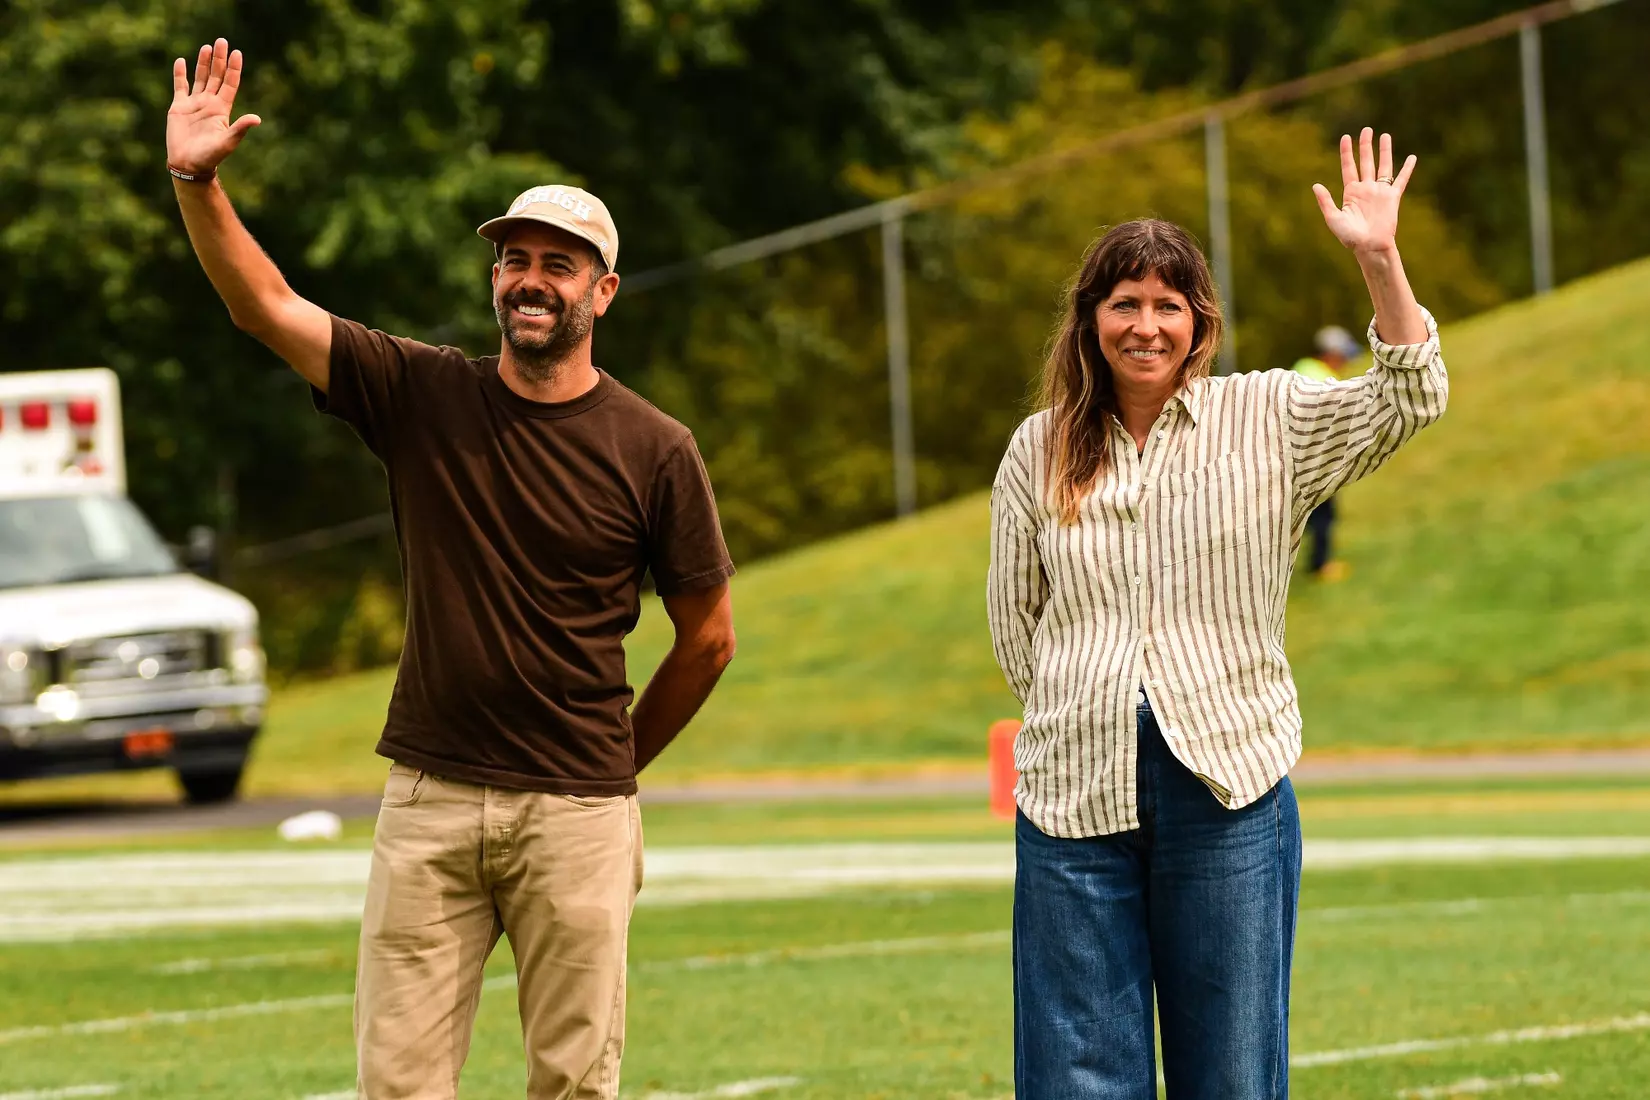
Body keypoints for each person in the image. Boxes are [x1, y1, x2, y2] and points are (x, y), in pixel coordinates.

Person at [165, 39, 738, 1099]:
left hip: (577, 811)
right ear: (493, 279)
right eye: (515, 260)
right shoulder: (424, 394)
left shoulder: (657, 446)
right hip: (428, 800)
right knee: (400, 1084)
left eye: (557, 265)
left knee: (573, 1083)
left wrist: (616, 760)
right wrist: (197, 182)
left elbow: (707, 636)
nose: (531, 281)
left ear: (601, 292)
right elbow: (266, 307)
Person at [987, 128, 1446, 1099]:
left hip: (1228, 788)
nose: (1145, 324)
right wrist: (1087, 702)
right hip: (1074, 795)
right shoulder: (1038, 447)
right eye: (1124, 304)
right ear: (1090, 320)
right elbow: (1014, 621)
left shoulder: (1271, 415)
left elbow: (1413, 395)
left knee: (1231, 1071)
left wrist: (1379, 258)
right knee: (1075, 1077)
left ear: (1200, 322)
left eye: (1167, 304)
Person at [1290, 324, 1364, 581]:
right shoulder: (1322, 378)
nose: (1344, 362)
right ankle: (1320, 566)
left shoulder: (1303, 369)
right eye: (1343, 356)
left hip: (1297, 459)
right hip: (1312, 461)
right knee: (1322, 515)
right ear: (1331, 353)